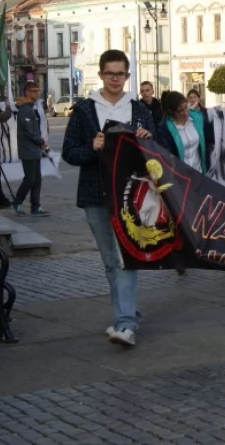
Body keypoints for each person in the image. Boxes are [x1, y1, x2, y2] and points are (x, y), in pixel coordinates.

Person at [62, 49, 155, 348]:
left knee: (126, 257)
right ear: (101, 75)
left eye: (121, 74)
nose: (115, 79)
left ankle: (125, 323)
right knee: (110, 261)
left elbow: (157, 153)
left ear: (128, 76)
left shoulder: (140, 110)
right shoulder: (85, 111)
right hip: (95, 193)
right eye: (110, 73)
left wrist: (147, 140)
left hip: (131, 195)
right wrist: (93, 147)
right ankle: (127, 313)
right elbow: (69, 153)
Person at [13, 80, 49, 217]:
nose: (37, 93)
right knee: (30, 179)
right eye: (34, 91)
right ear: (27, 92)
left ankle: (36, 206)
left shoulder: (30, 108)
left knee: (37, 179)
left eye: (38, 90)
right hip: (28, 149)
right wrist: (40, 141)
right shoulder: (25, 110)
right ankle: (17, 201)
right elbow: (29, 131)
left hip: (34, 150)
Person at [156, 91, 213, 175]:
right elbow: (167, 155)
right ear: (171, 112)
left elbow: (210, 139)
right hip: (181, 177)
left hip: (200, 173)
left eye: (186, 107)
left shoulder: (198, 119)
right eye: (180, 111)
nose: (186, 112)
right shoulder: (164, 128)